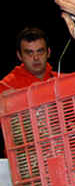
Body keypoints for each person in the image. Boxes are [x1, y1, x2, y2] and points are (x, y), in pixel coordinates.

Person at [0, 27, 57, 157]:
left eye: (40, 51)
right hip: (26, 158)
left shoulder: (59, 80)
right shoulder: (7, 86)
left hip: (58, 152)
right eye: (29, 53)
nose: (36, 57)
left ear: (48, 52)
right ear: (20, 56)